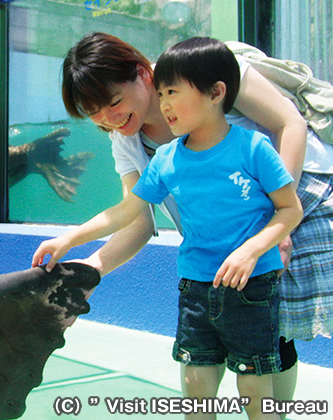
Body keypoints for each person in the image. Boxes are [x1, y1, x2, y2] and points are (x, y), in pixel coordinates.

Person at [55, 31, 333, 406]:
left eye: (115, 102)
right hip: (221, 247)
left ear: (143, 73)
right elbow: (136, 218)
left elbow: (289, 123)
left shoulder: (204, 68)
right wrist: (91, 267)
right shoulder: (126, 136)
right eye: (95, 115)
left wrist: (275, 226)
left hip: (300, 193)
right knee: (212, 358)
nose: (110, 119)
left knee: (274, 330)